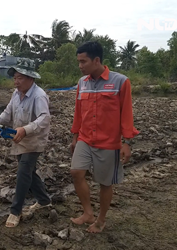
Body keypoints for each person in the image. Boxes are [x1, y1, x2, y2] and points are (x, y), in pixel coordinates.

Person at [70, 41, 139, 233]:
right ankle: (87, 213)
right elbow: (78, 112)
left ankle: (100, 220)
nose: (80, 66)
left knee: (105, 182)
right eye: (79, 62)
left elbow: (126, 114)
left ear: (96, 60)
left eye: (83, 61)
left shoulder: (120, 82)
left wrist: (127, 142)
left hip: (109, 142)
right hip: (85, 138)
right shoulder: (81, 83)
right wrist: (75, 136)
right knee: (76, 172)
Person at [0, 58, 52, 228]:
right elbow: (8, 111)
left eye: (19, 78)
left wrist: (26, 129)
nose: (16, 82)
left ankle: (15, 211)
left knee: (23, 172)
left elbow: (44, 118)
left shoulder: (39, 96)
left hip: (34, 140)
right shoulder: (16, 94)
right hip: (19, 138)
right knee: (29, 172)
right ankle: (44, 200)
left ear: (30, 78)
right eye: (15, 78)